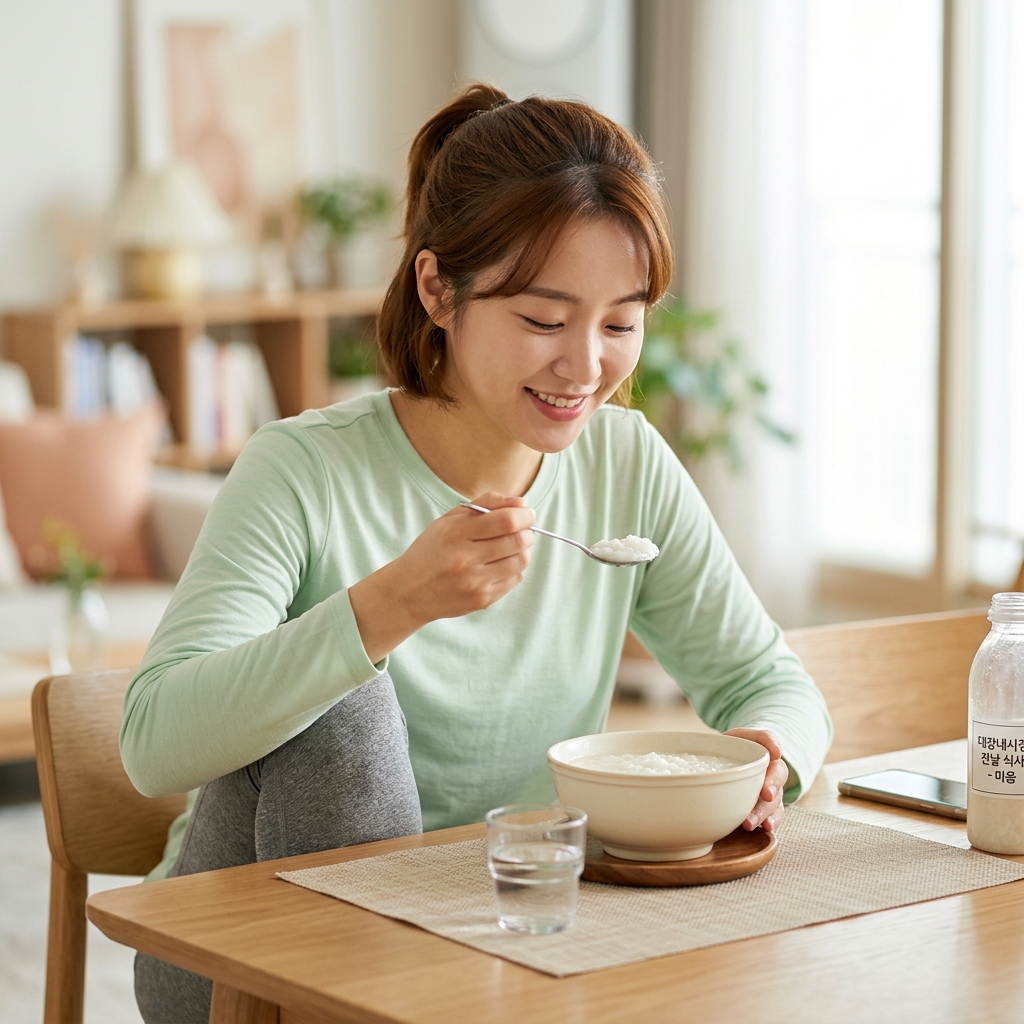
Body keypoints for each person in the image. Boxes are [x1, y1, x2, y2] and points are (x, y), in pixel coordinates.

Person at [122, 83, 832, 1022]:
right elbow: (152, 743)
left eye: (620, 323)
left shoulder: (625, 463)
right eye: (544, 320)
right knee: (349, 706)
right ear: (436, 290)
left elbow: (768, 680)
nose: (586, 368)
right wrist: (391, 605)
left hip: (495, 937)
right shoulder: (301, 469)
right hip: (234, 963)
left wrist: (767, 755)